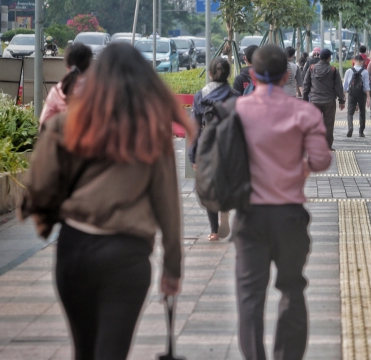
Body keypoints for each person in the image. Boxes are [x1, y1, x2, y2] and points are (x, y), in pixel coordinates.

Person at [19, 43, 196, 359]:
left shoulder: (65, 125)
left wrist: (49, 220)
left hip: (74, 248)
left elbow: (38, 187)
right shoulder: (152, 133)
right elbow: (168, 206)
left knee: (83, 351)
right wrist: (172, 268)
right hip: (127, 257)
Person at [232, 44, 332, 360]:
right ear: (287, 75)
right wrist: (299, 166)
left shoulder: (236, 110)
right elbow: (321, 159)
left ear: (252, 73)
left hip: (249, 215)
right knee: (292, 289)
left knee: (249, 298)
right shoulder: (303, 113)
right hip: (290, 215)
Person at [189, 57, 235, 241]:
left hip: (206, 147)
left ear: (209, 73)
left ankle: (214, 231)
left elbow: (194, 128)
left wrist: (193, 156)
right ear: (229, 74)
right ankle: (225, 207)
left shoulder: (200, 96)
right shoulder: (235, 95)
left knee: (207, 186)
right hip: (228, 147)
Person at [39, 43, 93, 127]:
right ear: (89, 65)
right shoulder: (99, 91)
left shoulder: (57, 91)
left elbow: (44, 125)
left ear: (67, 66)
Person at [303, 48, 345, 150]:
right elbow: (338, 86)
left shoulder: (311, 68)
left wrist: (304, 100)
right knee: (328, 125)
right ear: (329, 58)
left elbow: (306, 85)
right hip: (329, 101)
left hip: (314, 101)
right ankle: (327, 146)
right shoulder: (333, 70)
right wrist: (341, 100)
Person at [343, 55, 370, 137]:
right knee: (362, 112)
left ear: (354, 61)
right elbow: (366, 86)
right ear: (362, 61)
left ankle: (350, 127)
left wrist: (343, 96)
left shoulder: (348, 71)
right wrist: (369, 97)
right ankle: (361, 131)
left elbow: (345, 85)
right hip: (361, 94)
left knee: (350, 112)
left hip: (351, 94)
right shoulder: (365, 72)